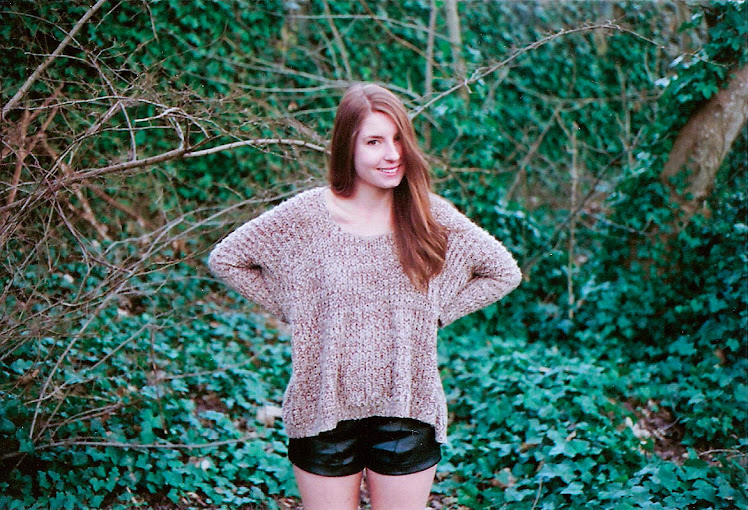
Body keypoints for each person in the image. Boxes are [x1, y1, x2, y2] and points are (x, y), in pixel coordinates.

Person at [208, 83, 521, 510]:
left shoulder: (429, 214)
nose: (392, 154)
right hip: (322, 410)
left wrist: (434, 312)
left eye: (398, 139)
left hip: (406, 408)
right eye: (374, 141)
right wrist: (300, 309)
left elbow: (503, 272)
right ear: (347, 147)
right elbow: (227, 259)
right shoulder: (304, 216)